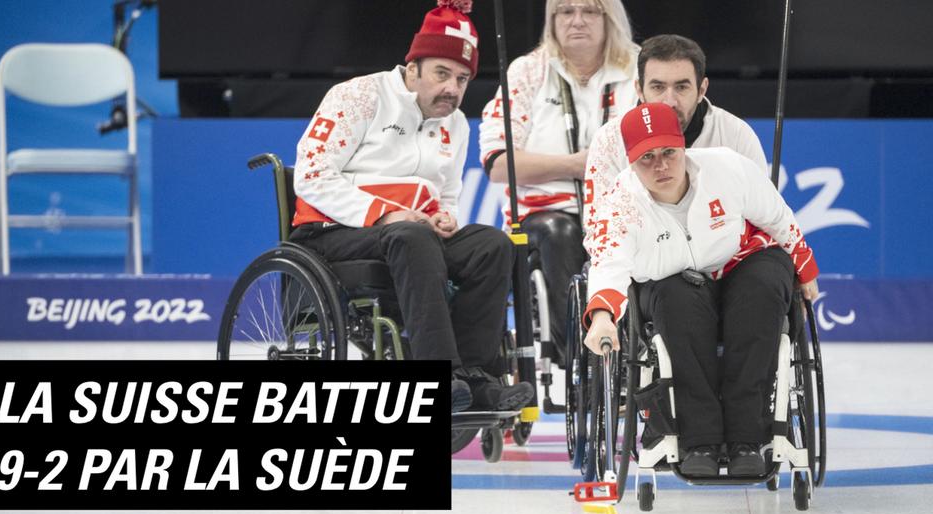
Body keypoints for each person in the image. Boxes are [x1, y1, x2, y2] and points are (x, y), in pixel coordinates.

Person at [290, 0, 533, 413]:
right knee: (411, 235)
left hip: (409, 236)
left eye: (461, 78)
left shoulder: (454, 123)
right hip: (333, 234)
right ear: (413, 65)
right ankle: (442, 374)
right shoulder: (357, 96)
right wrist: (385, 213)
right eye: (442, 74)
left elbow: (449, 194)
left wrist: (446, 215)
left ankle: (476, 377)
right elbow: (311, 176)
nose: (452, 90)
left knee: (492, 244)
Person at [581, 103, 820, 476]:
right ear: (630, 162)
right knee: (676, 302)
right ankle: (699, 440)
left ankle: (748, 438)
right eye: (646, 158)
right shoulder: (619, 206)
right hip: (672, 279)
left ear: (683, 147)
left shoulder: (727, 168)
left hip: (740, 259)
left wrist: (805, 271)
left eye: (668, 152)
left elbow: (778, 218)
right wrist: (601, 317)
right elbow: (608, 264)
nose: (660, 165)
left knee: (765, 287)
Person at [478, 0, 639, 366]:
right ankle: (582, 358)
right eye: (565, 11)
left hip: (622, 209)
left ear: (609, 17)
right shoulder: (528, 72)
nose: (577, 21)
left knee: (640, 232)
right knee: (560, 231)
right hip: (548, 215)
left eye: (589, 11)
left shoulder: (638, 69)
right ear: (552, 20)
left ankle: (638, 352)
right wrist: (575, 166)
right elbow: (497, 162)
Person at [597, 33, 767, 177]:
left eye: (681, 87)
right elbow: (601, 215)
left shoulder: (736, 136)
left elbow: (766, 213)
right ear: (639, 90)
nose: (670, 101)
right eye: (658, 87)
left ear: (702, 90)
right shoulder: (610, 141)